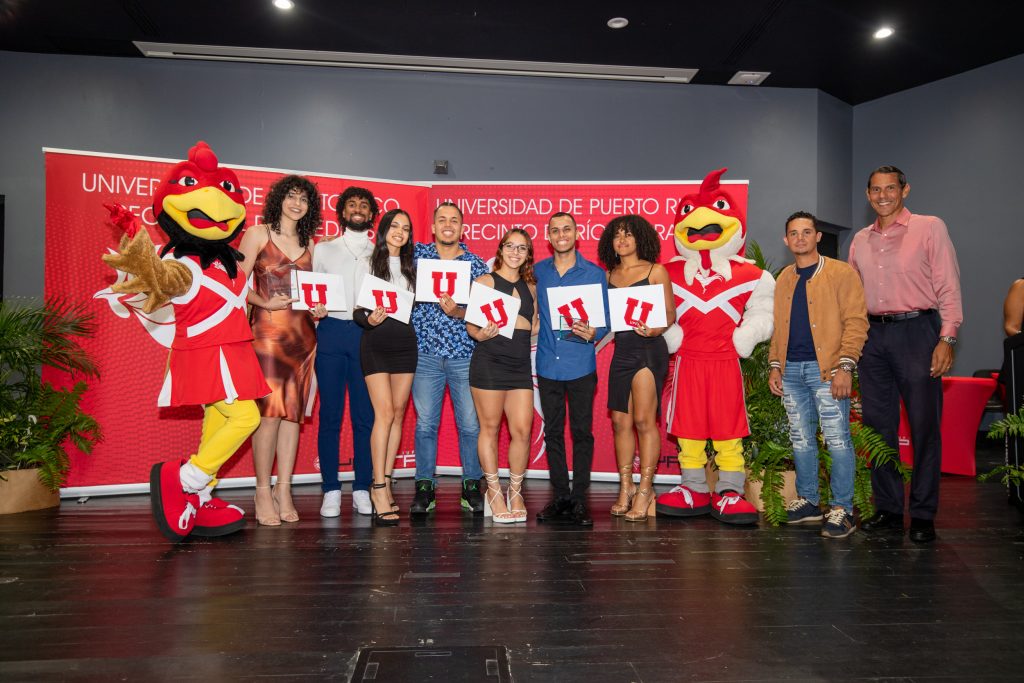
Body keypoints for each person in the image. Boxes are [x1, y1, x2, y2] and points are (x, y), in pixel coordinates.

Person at [849, 165, 963, 543]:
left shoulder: (930, 227)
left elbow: (948, 284)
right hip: (872, 338)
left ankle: (925, 514)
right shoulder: (860, 241)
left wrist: (946, 338)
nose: (883, 195)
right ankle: (890, 509)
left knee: (923, 427)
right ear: (868, 195)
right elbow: (852, 297)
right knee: (877, 428)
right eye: (876, 190)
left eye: (891, 188)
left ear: (905, 190)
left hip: (919, 332)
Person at [767, 211, 868, 539]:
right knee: (801, 439)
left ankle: (842, 508)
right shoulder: (784, 277)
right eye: (793, 233)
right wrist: (775, 365)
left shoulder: (841, 274)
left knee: (837, 439)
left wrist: (845, 367)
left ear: (818, 236)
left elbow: (856, 322)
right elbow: (779, 328)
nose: (800, 238)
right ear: (786, 240)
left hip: (827, 370)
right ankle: (809, 501)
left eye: (806, 232)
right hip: (792, 371)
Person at [239, 175, 325, 525]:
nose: (297, 203)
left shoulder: (312, 244)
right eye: (291, 196)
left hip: (304, 338)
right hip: (266, 335)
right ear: (279, 199)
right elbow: (234, 282)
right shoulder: (258, 234)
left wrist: (320, 308)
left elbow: (316, 292)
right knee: (269, 414)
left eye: (303, 199)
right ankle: (262, 489)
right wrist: (263, 300)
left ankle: (284, 488)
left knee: (292, 415)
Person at [409, 201, 489, 515]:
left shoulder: (476, 264)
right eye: (442, 219)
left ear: (462, 227)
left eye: (454, 220)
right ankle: (424, 486)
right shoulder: (416, 257)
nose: (447, 225)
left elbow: (484, 312)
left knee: (470, 425)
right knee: (426, 425)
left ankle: (471, 485)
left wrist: (458, 311)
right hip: (425, 354)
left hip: (464, 354)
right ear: (433, 226)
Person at [597, 215, 675, 522]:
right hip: (622, 351)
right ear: (610, 243)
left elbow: (669, 313)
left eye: (628, 235)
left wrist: (655, 330)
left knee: (644, 420)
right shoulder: (608, 275)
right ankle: (626, 486)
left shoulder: (657, 271)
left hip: (648, 351)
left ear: (640, 238)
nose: (623, 240)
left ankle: (646, 489)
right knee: (620, 421)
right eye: (617, 236)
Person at [534, 213, 608, 527]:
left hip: (580, 365)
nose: (561, 235)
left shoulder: (595, 274)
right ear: (548, 237)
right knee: (552, 433)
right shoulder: (537, 272)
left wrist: (596, 332)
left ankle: (579, 500)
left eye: (567, 229)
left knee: (581, 434)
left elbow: (604, 322)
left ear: (577, 234)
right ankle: (561, 496)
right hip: (548, 363)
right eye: (555, 230)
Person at [313, 186, 378, 518]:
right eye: (351, 204)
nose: (357, 209)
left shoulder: (378, 252)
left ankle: (363, 487)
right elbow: (313, 295)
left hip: (367, 335)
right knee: (330, 417)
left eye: (363, 206)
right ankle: (331, 489)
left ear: (371, 215)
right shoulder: (323, 250)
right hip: (332, 333)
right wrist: (315, 308)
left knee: (365, 417)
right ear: (341, 211)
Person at [467, 229, 539, 523]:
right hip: (489, 361)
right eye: (510, 246)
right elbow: (472, 327)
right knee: (491, 427)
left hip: (520, 365)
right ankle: (494, 491)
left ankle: (516, 490)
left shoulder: (530, 287)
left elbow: (533, 326)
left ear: (527, 255)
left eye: (522, 248)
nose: (515, 252)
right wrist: (481, 333)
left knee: (522, 430)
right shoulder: (484, 282)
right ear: (500, 250)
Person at [353, 209, 418, 526]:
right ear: (383, 229)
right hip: (375, 343)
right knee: (385, 414)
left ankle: (388, 480)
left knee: (398, 413)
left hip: (406, 345)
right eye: (395, 226)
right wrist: (370, 319)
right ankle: (377, 487)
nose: (400, 232)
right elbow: (357, 311)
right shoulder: (368, 261)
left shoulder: (411, 267)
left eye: (406, 228)